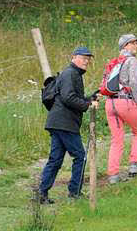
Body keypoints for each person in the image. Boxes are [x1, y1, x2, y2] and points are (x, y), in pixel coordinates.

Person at [38, 46, 99, 204]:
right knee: (80, 156)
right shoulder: (71, 73)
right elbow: (68, 98)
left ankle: (41, 193)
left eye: (88, 59)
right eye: (83, 58)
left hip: (57, 121)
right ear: (74, 58)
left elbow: (70, 97)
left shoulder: (72, 74)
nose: (86, 61)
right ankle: (74, 192)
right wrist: (88, 105)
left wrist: (89, 98)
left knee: (55, 159)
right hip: (65, 123)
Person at [100, 34, 137, 183]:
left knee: (116, 139)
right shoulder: (131, 61)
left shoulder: (113, 62)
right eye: (133, 43)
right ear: (125, 45)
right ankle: (134, 165)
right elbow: (134, 82)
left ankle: (113, 175)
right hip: (125, 102)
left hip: (110, 103)